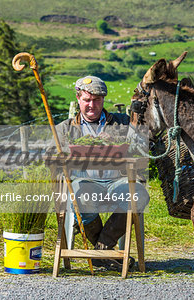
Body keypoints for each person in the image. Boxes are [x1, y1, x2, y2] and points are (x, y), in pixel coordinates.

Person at [52, 75, 149, 269]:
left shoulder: (121, 123)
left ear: (103, 100)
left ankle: (100, 252)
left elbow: (142, 149)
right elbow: (54, 162)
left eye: (96, 100)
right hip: (84, 182)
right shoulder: (65, 129)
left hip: (118, 181)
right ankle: (104, 253)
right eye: (87, 100)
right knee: (80, 195)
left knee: (138, 196)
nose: (91, 105)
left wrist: (117, 143)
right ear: (78, 99)